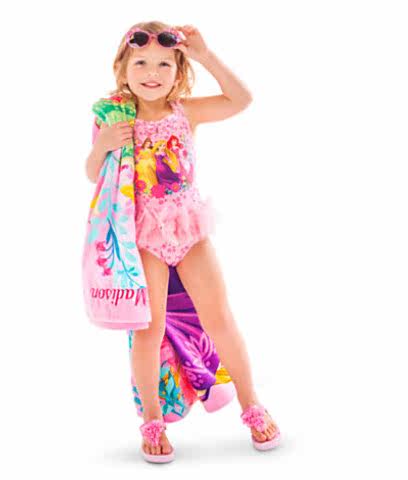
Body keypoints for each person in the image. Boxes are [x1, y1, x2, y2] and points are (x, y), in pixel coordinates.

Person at [85, 21, 281, 463]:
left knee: (221, 318)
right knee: (148, 331)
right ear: (123, 68)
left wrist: (205, 55)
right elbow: (94, 174)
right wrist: (103, 147)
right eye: (141, 63)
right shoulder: (113, 117)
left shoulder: (184, 112)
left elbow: (241, 99)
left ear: (178, 71)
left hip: (188, 229)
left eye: (164, 64)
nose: (151, 73)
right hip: (142, 237)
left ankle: (252, 405)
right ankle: (152, 421)